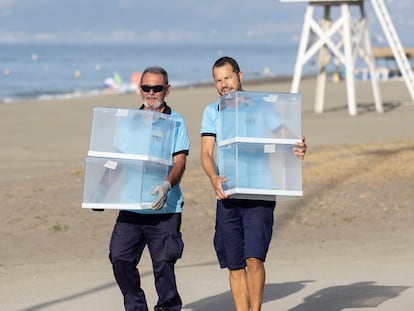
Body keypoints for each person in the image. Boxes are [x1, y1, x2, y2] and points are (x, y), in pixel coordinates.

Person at [200, 56, 306, 311]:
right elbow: (205, 153)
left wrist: (299, 146)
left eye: (228, 77)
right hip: (227, 193)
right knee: (235, 264)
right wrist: (213, 177)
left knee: (254, 259)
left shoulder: (262, 108)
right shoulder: (212, 111)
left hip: (260, 192)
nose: (224, 84)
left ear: (240, 75)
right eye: (218, 80)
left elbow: (286, 138)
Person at [109, 66, 190, 311]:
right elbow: (115, 161)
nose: (151, 93)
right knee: (119, 257)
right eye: (147, 88)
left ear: (167, 89)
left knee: (163, 264)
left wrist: (167, 184)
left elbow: (180, 161)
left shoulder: (176, 122)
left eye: (157, 88)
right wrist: (102, 191)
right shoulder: (128, 122)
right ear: (139, 89)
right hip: (131, 207)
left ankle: (168, 307)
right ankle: (136, 307)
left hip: (164, 209)